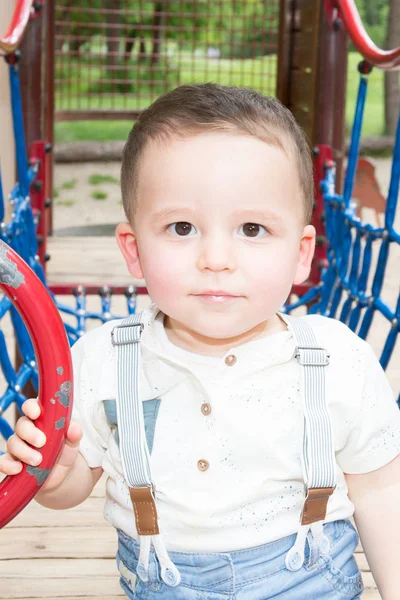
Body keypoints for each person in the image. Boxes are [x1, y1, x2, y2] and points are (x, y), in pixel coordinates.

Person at [1, 83, 400, 600]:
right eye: (182, 227)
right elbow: (81, 479)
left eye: (252, 229)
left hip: (309, 585)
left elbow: (380, 490)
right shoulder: (102, 359)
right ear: (134, 249)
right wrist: (57, 476)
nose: (216, 257)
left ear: (302, 253)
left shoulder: (336, 360)